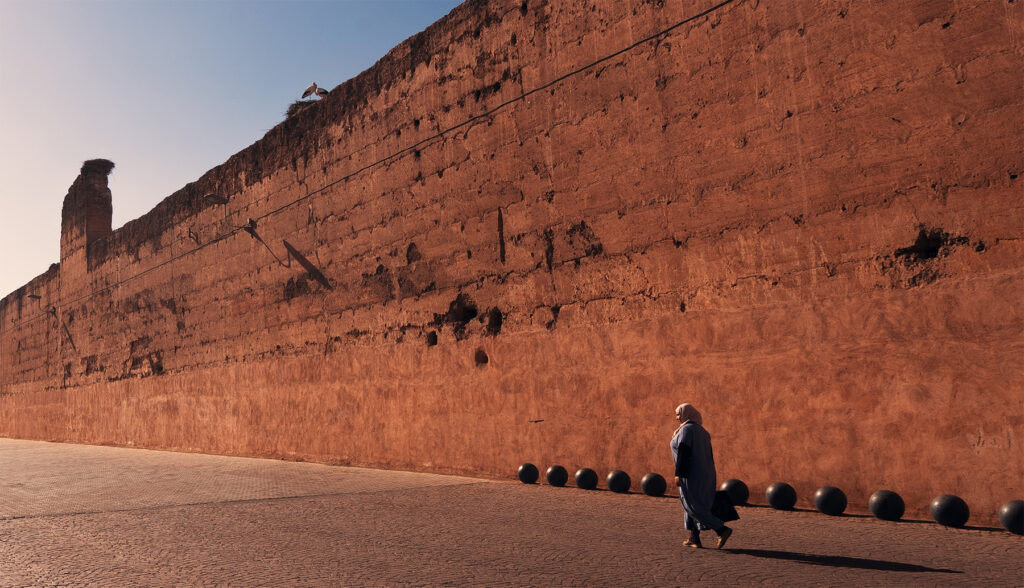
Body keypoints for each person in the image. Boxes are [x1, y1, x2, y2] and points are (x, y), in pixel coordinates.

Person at [671, 403, 732, 549]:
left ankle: (721, 530)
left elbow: (684, 452)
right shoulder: (702, 430)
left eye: (679, 414)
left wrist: (679, 474)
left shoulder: (687, 430)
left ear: (687, 414)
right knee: (694, 503)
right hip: (705, 473)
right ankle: (694, 537)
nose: (677, 417)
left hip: (690, 473)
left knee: (692, 505)